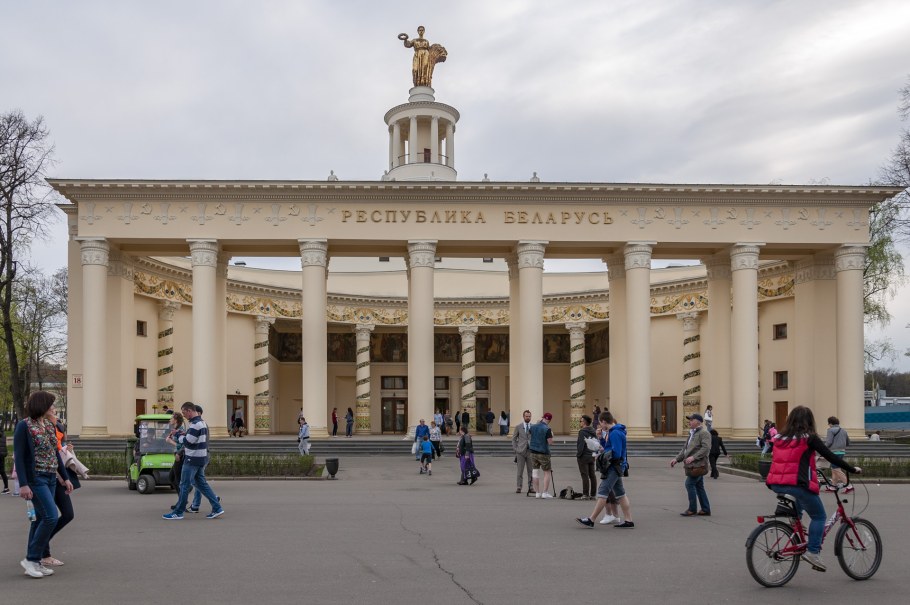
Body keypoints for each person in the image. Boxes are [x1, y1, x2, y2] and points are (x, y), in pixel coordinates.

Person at [766, 405, 862, 571]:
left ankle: (795, 521)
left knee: (800, 502)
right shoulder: (809, 438)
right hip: (797, 483)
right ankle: (813, 552)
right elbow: (829, 455)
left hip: (776, 483)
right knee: (819, 516)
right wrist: (852, 469)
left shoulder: (780, 437)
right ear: (809, 421)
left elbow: (787, 459)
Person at [14, 391, 74, 578]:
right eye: (51, 404)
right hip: (36, 478)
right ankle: (32, 559)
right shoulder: (24, 425)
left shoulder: (48, 425)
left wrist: (65, 478)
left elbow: (55, 453)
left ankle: (35, 561)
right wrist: (23, 484)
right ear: (42, 405)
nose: (53, 407)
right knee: (51, 516)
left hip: (51, 477)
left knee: (41, 519)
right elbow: (19, 457)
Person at [162, 401, 224, 520]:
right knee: (202, 485)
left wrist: (177, 436)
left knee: (184, 485)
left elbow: (188, 441)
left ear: (189, 411)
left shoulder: (195, 424)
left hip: (192, 459)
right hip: (200, 458)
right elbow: (192, 437)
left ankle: (178, 512)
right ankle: (217, 508)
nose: (184, 415)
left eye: (184, 412)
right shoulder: (202, 423)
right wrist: (181, 433)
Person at [576, 411, 634, 529]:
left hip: (614, 466)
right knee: (621, 494)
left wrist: (601, 456)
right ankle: (628, 520)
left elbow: (616, 453)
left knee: (602, 492)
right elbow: (609, 448)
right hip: (617, 466)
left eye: (600, 423)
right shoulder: (615, 432)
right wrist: (601, 440)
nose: (600, 426)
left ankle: (591, 519)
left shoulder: (615, 433)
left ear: (604, 421)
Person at [671, 413, 712, 516]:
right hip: (693, 466)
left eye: (691, 420)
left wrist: (693, 457)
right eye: (689, 420)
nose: (689, 422)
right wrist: (677, 459)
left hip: (698, 465)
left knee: (689, 484)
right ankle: (705, 509)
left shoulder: (704, 433)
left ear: (698, 422)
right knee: (699, 486)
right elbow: (685, 449)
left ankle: (692, 509)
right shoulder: (692, 433)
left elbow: (706, 448)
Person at [529, 412, 555, 499]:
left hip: (533, 451)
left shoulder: (533, 426)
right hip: (543, 453)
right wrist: (552, 437)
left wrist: (537, 423)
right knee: (547, 472)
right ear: (550, 420)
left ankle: (537, 493)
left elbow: (530, 433)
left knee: (535, 472)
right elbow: (550, 442)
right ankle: (545, 492)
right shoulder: (547, 429)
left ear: (542, 418)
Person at [823, 416, 852, 492]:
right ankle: (833, 486)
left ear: (830, 423)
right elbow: (848, 442)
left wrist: (822, 448)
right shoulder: (843, 430)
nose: (828, 425)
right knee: (834, 469)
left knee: (836, 469)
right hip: (842, 452)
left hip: (834, 452)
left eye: (828, 423)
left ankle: (849, 486)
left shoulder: (830, 430)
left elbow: (829, 442)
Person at [511, 410, 534, 494]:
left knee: (531, 471)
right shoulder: (518, 427)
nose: (528, 418)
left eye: (529, 416)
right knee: (520, 471)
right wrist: (515, 449)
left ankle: (531, 487)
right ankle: (519, 487)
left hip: (530, 451)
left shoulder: (533, 427)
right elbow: (514, 439)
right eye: (526, 416)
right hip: (520, 452)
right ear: (523, 417)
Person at [575, 415, 597, 500]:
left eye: (580, 421)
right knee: (592, 475)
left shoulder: (582, 431)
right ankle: (593, 494)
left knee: (585, 475)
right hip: (591, 455)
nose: (580, 423)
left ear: (584, 422)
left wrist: (578, 455)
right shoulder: (593, 431)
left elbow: (581, 444)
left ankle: (585, 494)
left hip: (583, 456)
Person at [166, 412, 187, 491]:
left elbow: (183, 445)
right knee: (172, 477)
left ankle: (182, 496)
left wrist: (170, 441)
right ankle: (182, 495)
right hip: (177, 455)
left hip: (180, 455)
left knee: (176, 478)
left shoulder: (180, 430)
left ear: (175, 420)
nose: (170, 420)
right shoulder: (176, 430)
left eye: (171, 418)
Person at [1, 425, 9, 494]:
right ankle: (6, 488)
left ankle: (6, 488)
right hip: (2, 454)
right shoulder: (3, 434)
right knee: (2, 471)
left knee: (2, 472)